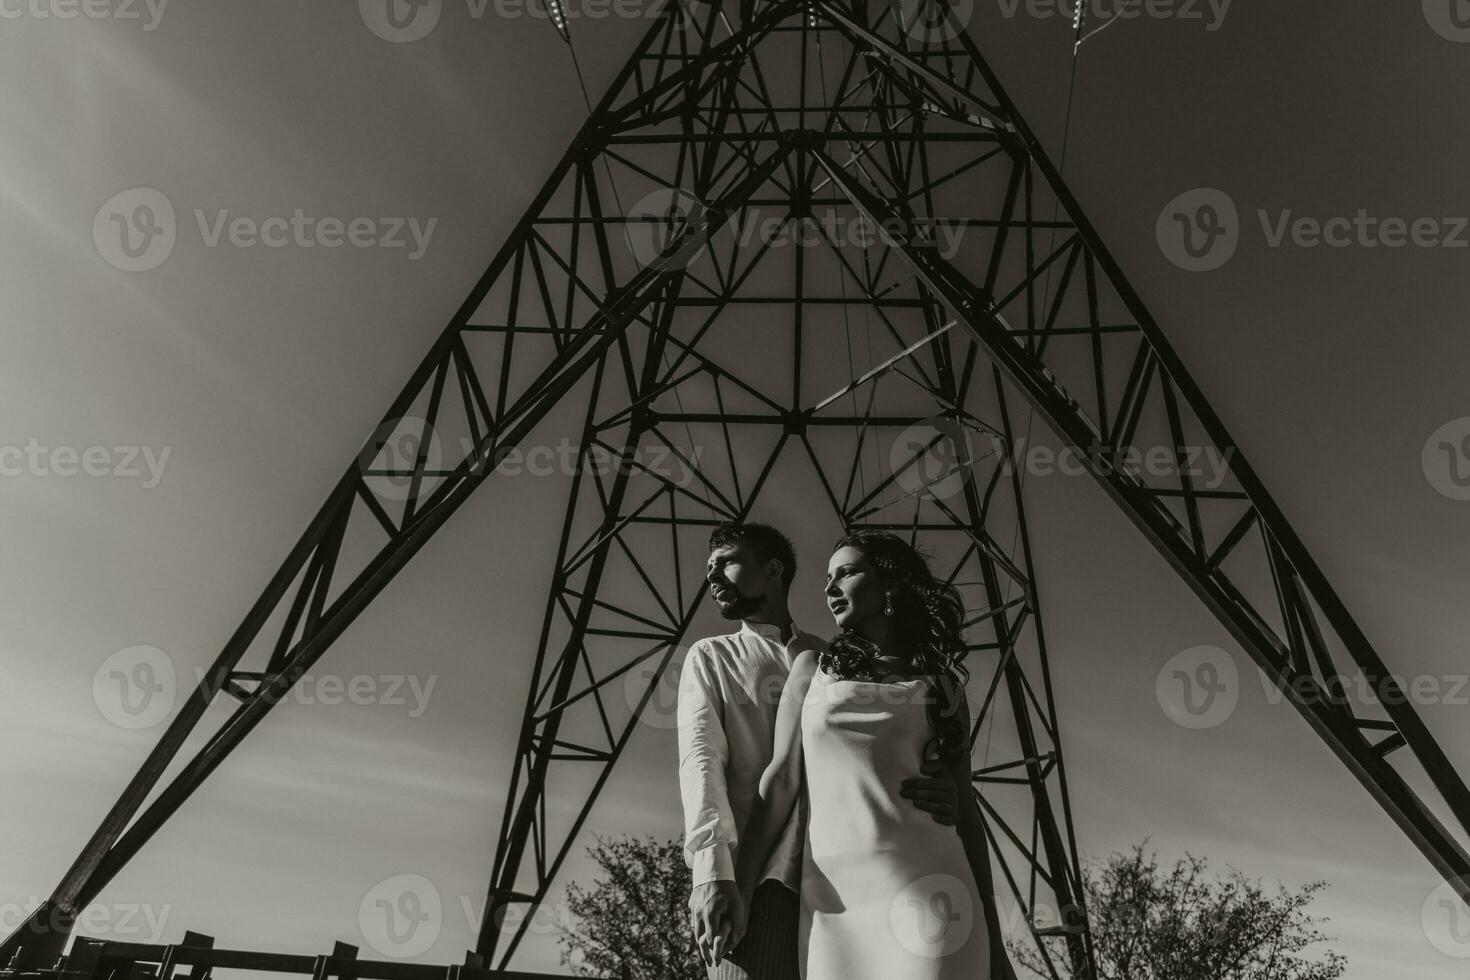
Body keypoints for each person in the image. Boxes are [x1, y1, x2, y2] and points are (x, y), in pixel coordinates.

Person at [678, 521, 964, 979]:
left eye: (727, 563)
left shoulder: (837, 661)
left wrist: (946, 790)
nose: (712, 577)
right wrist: (713, 873)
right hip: (761, 882)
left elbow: (884, 753)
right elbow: (701, 763)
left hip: (850, 891)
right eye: (709, 568)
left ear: (772, 570)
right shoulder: (711, 657)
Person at [730, 529, 1017, 979]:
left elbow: (966, 817)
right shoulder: (812, 668)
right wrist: (739, 886)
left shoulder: (944, 688)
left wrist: (996, 947)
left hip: (932, 896)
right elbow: (780, 780)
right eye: (827, 577)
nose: (828, 588)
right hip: (831, 909)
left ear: (890, 583)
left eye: (845, 573)